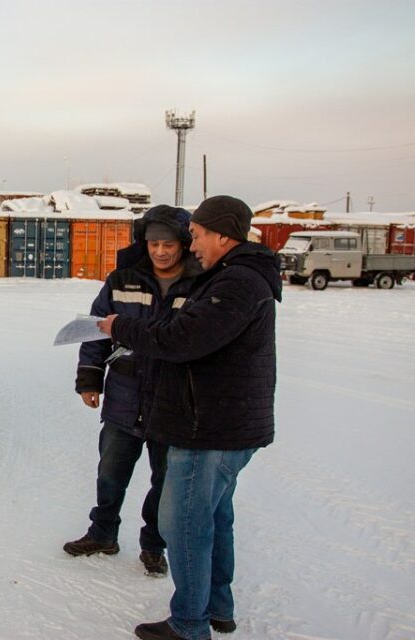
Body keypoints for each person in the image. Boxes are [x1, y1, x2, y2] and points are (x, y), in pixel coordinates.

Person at [97, 195, 282, 640]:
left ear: (222, 234)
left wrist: (117, 327)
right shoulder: (236, 276)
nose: (190, 244)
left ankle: (189, 624)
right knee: (215, 519)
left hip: (210, 427)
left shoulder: (237, 282)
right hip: (224, 423)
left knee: (183, 527)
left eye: (196, 235)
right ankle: (217, 608)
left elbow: (183, 339)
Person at [64, 205, 201, 577]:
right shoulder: (122, 279)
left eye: (168, 244)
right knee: (110, 472)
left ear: (184, 244)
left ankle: (154, 545)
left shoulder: (200, 283)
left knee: (165, 480)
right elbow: (95, 329)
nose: (160, 251)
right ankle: (103, 532)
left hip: (171, 402)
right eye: (154, 243)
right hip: (124, 396)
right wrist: (89, 379)